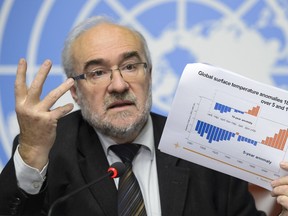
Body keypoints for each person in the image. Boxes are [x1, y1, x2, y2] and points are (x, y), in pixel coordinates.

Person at [0, 15, 288, 216]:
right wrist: (33, 150)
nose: (119, 85)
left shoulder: (204, 151)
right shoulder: (48, 150)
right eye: (98, 72)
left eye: (130, 66)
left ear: (149, 74)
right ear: (75, 91)